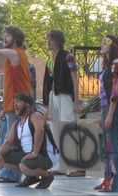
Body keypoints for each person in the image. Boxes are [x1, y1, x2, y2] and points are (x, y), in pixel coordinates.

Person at [42, 29, 82, 177]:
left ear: (58, 40)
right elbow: (47, 82)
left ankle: (73, 166)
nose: (48, 41)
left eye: (51, 38)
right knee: (55, 130)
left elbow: (74, 79)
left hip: (65, 96)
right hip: (54, 96)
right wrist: (47, 105)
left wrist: (76, 101)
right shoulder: (49, 60)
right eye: (48, 38)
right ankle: (60, 164)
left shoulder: (68, 57)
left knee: (68, 128)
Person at [0, 92, 55, 189]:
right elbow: (8, 142)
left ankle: (47, 175)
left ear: (27, 104)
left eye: (18, 101)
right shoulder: (16, 124)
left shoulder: (36, 115)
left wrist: (34, 153)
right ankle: (32, 177)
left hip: (45, 155)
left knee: (24, 166)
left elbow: (40, 131)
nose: (15, 104)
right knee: (3, 159)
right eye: (14, 102)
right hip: (28, 154)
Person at [94, 35, 118, 192]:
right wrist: (102, 113)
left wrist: (110, 114)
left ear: (113, 46)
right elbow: (103, 93)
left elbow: (116, 92)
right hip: (107, 109)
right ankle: (107, 180)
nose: (101, 44)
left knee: (114, 145)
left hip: (114, 108)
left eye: (105, 42)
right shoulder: (107, 65)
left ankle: (117, 183)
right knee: (107, 147)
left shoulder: (117, 64)